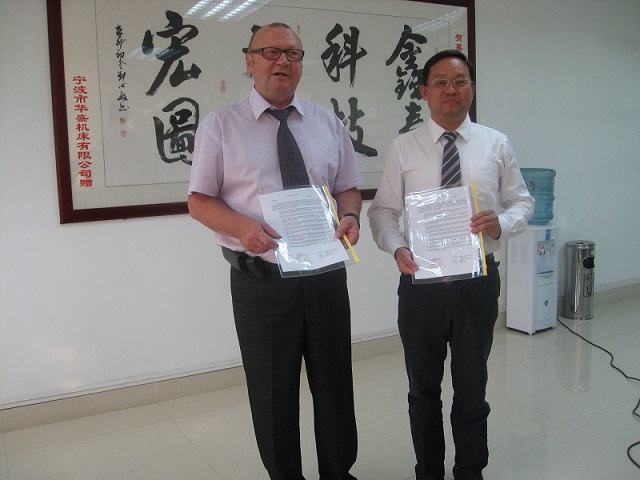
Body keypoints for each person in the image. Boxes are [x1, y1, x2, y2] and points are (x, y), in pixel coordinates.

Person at [188, 23, 363, 480]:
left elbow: (348, 187)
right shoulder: (221, 125)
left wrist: (350, 216)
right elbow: (199, 200)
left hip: (325, 276)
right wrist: (242, 227)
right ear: (249, 61)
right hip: (261, 281)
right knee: (272, 393)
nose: (282, 61)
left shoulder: (327, 122)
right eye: (270, 52)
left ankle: (338, 473)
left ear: (302, 64)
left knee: (335, 385)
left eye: (292, 53)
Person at [367, 50, 534, 480]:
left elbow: (522, 202)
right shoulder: (404, 147)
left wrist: (502, 223)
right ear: (424, 92)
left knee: (472, 388)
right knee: (422, 390)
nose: (451, 90)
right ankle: (429, 471)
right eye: (440, 82)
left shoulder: (496, 143)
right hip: (420, 284)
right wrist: (397, 247)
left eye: (460, 82)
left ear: (472, 89)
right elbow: (382, 211)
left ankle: (470, 471)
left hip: (478, 281)